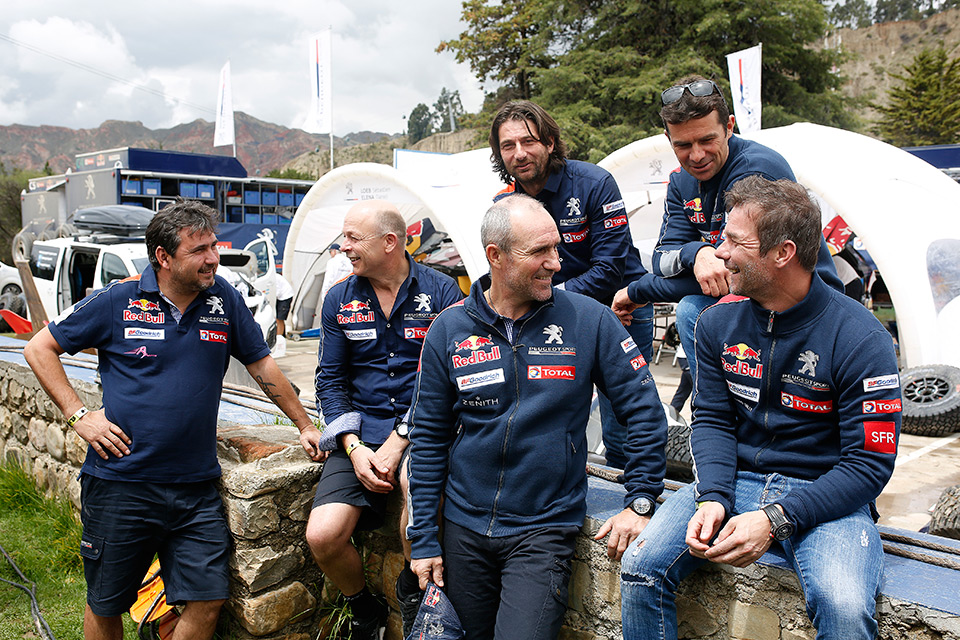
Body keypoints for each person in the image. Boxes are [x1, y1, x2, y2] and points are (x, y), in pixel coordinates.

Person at [22, 200, 324, 640]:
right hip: (122, 482)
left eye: (213, 246)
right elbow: (37, 348)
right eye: (198, 250)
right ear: (163, 257)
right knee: (107, 604)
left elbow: (262, 366)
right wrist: (79, 415)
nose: (212, 258)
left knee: (207, 600)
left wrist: (304, 425)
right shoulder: (117, 300)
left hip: (195, 489)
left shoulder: (224, 300)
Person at [620, 176, 900, 640]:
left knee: (844, 606)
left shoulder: (863, 338)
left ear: (782, 253)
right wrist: (711, 494)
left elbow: (869, 465)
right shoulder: (716, 322)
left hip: (825, 493)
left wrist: (775, 520)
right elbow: (710, 419)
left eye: (734, 240)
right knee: (641, 564)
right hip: (735, 480)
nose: (719, 251)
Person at [408, 194, 668, 640]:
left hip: (543, 531)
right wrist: (426, 539)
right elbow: (428, 437)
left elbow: (644, 411)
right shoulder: (448, 330)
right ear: (496, 256)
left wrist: (641, 499)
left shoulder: (591, 320)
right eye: (540, 252)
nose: (556, 263)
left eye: (557, 247)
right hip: (462, 528)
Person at [612, 76, 841, 383]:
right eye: (683, 145)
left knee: (694, 309)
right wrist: (698, 252)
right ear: (668, 139)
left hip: (805, 307)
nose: (696, 155)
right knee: (697, 307)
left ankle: (728, 413)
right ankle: (716, 412)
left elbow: (739, 275)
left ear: (729, 127)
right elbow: (662, 259)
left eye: (707, 140)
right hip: (753, 302)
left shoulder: (757, 168)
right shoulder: (681, 181)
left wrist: (638, 291)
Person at [306, 200, 462, 640]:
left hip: (428, 425)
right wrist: (353, 448)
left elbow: (448, 378)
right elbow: (330, 382)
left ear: (389, 242)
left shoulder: (444, 292)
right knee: (323, 536)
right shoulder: (339, 297)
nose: (343, 246)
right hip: (361, 431)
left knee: (417, 510)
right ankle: (364, 608)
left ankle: (417, 603)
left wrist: (399, 440)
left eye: (353, 238)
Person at [489, 99, 652, 470]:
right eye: (507, 146)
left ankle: (636, 507)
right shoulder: (505, 204)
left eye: (528, 141)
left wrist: (551, 300)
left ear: (549, 141)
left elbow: (609, 269)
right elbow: (507, 275)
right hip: (551, 318)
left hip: (620, 310)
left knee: (622, 426)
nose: (519, 153)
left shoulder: (595, 183)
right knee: (550, 413)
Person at [319, 243, 353, 307]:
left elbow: (328, 280)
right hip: (348, 292)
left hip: (335, 293)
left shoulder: (332, 262)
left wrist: (324, 297)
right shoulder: (349, 261)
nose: (330, 254)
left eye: (330, 251)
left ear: (334, 251)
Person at [275, 272, 294, 338]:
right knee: (278, 318)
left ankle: (279, 338)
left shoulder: (274, 278)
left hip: (285, 296)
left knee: (279, 319)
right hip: (282, 296)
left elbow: (276, 292)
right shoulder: (275, 276)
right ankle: (282, 335)